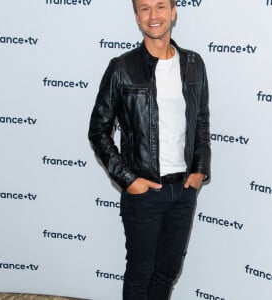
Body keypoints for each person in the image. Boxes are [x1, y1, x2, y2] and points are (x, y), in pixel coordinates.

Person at [88, 0, 211, 299]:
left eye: (160, 6)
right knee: (140, 276)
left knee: (167, 273)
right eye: (145, 8)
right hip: (144, 194)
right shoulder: (122, 67)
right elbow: (99, 130)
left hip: (183, 191)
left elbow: (201, 121)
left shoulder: (194, 63)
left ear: (173, 12)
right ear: (136, 16)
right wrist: (129, 180)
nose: (153, 15)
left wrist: (199, 171)